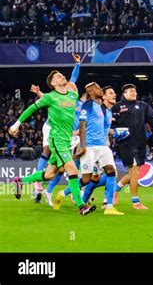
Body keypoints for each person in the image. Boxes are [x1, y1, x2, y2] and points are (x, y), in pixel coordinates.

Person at [8, 70, 96, 215]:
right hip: (57, 140)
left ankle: (20, 180)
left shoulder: (73, 96)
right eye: (59, 76)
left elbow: (69, 100)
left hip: (66, 140)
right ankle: (81, 206)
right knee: (73, 170)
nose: (63, 76)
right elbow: (31, 108)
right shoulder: (50, 97)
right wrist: (16, 124)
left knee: (49, 175)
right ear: (53, 83)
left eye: (63, 75)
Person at [53, 83, 125, 215]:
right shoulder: (88, 105)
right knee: (86, 179)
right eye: (98, 87)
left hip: (102, 146)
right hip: (90, 146)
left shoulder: (101, 107)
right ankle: (62, 193)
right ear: (91, 91)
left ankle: (109, 206)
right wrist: (83, 146)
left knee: (111, 171)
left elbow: (102, 128)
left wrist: (114, 133)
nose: (100, 89)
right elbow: (82, 125)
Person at [29, 53, 81, 204]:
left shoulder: (75, 101)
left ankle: (48, 189)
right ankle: (38, 184)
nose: (73, 85)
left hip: (67, 133)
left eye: (74, 85)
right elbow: (49, 98)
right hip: (51, 127)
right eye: (72, 84)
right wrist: (77, 65)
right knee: (47, 150)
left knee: (63, 166)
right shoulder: (60, 93)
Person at [112, 84, 153, 209]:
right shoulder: (117, 107)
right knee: (134, 170)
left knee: (135, 172)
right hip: (126, 143)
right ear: (124, 93)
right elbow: (109, 123)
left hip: (140, 142)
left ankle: (115, 189)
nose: (133, 93)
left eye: (135, 91)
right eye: (130, 91)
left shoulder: (143, 105)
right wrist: (114, 132)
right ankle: (136, 201)